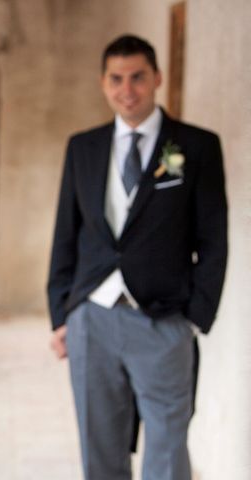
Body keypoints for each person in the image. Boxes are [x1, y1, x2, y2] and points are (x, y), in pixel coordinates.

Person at [47, 34, 227, 480]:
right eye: (117, 79)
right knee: (100, 450)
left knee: (167, 450)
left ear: (157, 79)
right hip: (93, 318)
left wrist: (193, 317)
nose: (127, 89)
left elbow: (213, 239)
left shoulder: (196, 146)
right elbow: (66, 236)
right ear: (104, 83)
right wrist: (62, 313)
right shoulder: (83, 148)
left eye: (138, 78)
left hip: (164, 319)